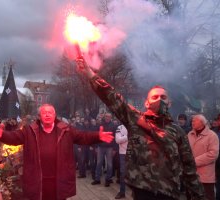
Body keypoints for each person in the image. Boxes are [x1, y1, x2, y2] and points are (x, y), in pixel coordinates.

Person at [76, 58, 205, 200]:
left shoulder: (178, 131)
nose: (159, 100)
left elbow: (189, 169)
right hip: (142, 192)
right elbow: (112, 97)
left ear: (169, 102)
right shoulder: (136, 120)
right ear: (147, 103)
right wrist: (90, 73)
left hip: (170, 193)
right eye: (155, 97)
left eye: (163, 97)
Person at [0, 104, 114, 200]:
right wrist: (2, 135)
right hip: (38, 180)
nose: (47, 115)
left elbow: (82, 136)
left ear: (54, 115)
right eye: (44, 113)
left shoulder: (65, 129)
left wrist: (97, 136)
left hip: (59, 179)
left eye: (50, 112)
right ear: (39, 116)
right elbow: (15, 137)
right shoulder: (29, 130)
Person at [188, 114, 219, 200]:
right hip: (191, 175)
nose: (192, 122)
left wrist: (194, 161)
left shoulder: (212, 135)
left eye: (195, 120)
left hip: (206, 176)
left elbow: (213, 154)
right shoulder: (190, 134)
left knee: (207, 197)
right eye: (192, 120)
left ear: (202, 123)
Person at [115, 124, 128, 199]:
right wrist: (127, 136)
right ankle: (122, 192)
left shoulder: (133, 126)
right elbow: (117, 140)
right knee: (123, 173)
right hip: (123, 153)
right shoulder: (119, 127)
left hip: (133, 154)